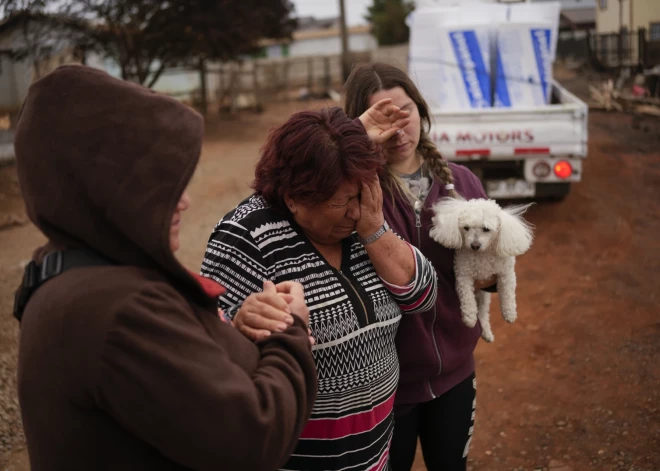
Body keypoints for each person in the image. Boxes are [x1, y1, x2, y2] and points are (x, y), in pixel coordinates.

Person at [13, 65, 317, 471]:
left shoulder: (65, 271)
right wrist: (289, 332)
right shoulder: (121, 309)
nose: (185, 202)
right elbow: (252, 439)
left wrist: (235, 335)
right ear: (106, 189)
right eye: (158, 186)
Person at [200, 106, 438, 471]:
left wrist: (375, 230)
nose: (356, 212)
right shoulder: (243, 237)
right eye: (342, 203)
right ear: (295, 197)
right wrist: (240, 328)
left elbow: (422, 295)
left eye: (361, 196)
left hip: (375, 455)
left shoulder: (364, 217)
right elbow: (210, 359)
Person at [343, 62, 498, 471]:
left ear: (422, 110)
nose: (398, 128)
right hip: (384, 385)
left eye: (405, 110)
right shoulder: (354, 194)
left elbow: (491, 270)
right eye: (383, 116)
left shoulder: (462, 184)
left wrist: (492, 274)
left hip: (455, 373)